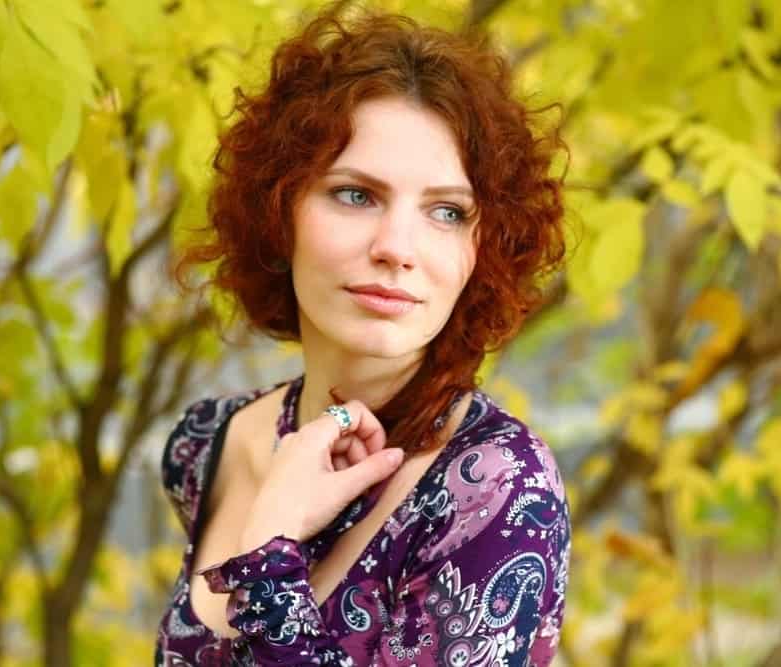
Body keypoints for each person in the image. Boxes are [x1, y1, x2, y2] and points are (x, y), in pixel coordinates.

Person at [156, 4, 570, 665]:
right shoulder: (208, 444)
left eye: (446, 210)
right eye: (355, 195)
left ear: (483, 246)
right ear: (277, 212)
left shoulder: (500, 490)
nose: (397, 248)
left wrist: (270, 554)